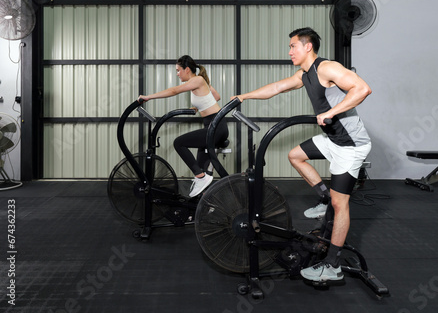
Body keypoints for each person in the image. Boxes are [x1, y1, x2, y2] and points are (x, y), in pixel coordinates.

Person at [232, 27, 372, 282]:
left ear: (308, 47)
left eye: (293, 46)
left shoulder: (326, 68)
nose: (289, 52)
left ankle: (333, 266)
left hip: (350, 145)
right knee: (295, 155)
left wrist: (331, 112)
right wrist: (244, 96)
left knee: (341, 205)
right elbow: (276, 87)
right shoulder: (304, 74)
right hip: (333, 139)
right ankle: (323, 197)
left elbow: (362, 89)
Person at [138, 55, 229, 197]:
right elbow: (216, 97)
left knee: (179, 143)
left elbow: (174, 91)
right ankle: (203, 200)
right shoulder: (201, 81)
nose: (177, 74)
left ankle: (200, 177)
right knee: (201, 169)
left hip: (216, 128)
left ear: (187, 69)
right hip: (213, 127)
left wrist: (149, 97)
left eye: (178, 70)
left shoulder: (197, 80)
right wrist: (199, 107)